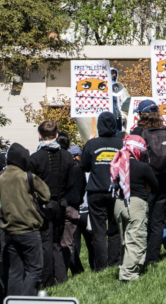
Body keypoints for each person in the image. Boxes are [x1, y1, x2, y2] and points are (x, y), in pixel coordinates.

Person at [0, 143, 50, 297]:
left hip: (9, 231)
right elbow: (46, 195)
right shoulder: (27, 177)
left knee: (15, 271)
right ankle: (26, 300)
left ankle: (13, 300)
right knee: (34, 269)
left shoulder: (1, 178)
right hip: (29, 230)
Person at [134, 100, 166, 265]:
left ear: (141, 114)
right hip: (163, 183)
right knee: (158, 223)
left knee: (141, 221)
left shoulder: (138, 132)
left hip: (144, 184)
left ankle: (139, 257)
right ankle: (152, 259)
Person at [29, 120, 75, 287]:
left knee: (46, 242)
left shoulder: (35, 158)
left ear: (40, 136)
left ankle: (48, 279)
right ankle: (61, 277)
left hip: (43, 205)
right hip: (60, 202)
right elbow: (71, 182)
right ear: (56, 135)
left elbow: (30, 183)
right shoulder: (67, 156)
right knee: (56, 241)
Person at [110, 134, 158, 282]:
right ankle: (128, 275)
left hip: (119, 204)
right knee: (136, 239)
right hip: (136, 204)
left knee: (125, 239)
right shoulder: (143, 167)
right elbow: (156, 186)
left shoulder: (117, 164)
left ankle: (126, 267)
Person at [80, 112, 123, 271]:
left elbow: (83, 166)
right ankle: (114, 262)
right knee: (114, 229)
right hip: (115, 191)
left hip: (95, 191)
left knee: (98, 232)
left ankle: (100, 266)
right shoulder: (121, 144)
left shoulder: (91, 144)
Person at [62, 145, 85, 274]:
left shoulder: (63, 166)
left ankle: (68, 269)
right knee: (69, 241)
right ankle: (73, 269)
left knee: (65, 240)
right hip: (74, 206)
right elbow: (82, 188)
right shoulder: (79, 169)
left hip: (62, 205)